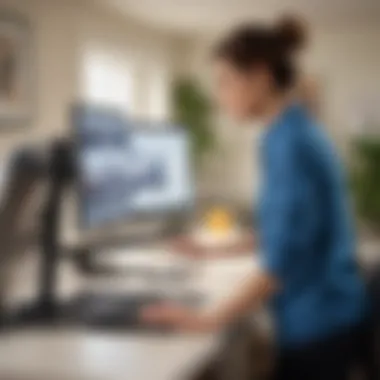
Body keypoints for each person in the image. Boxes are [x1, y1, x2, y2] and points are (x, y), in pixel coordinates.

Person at [142, 16, 372, 380]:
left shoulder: (289, 144)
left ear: (261, 77)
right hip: (333, 317)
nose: (220, 97)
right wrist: (212, 251)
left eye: (226, 82)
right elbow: (283, 236)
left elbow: (279, 265)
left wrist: (206, 319)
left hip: (320, 327)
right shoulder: (292, 131)